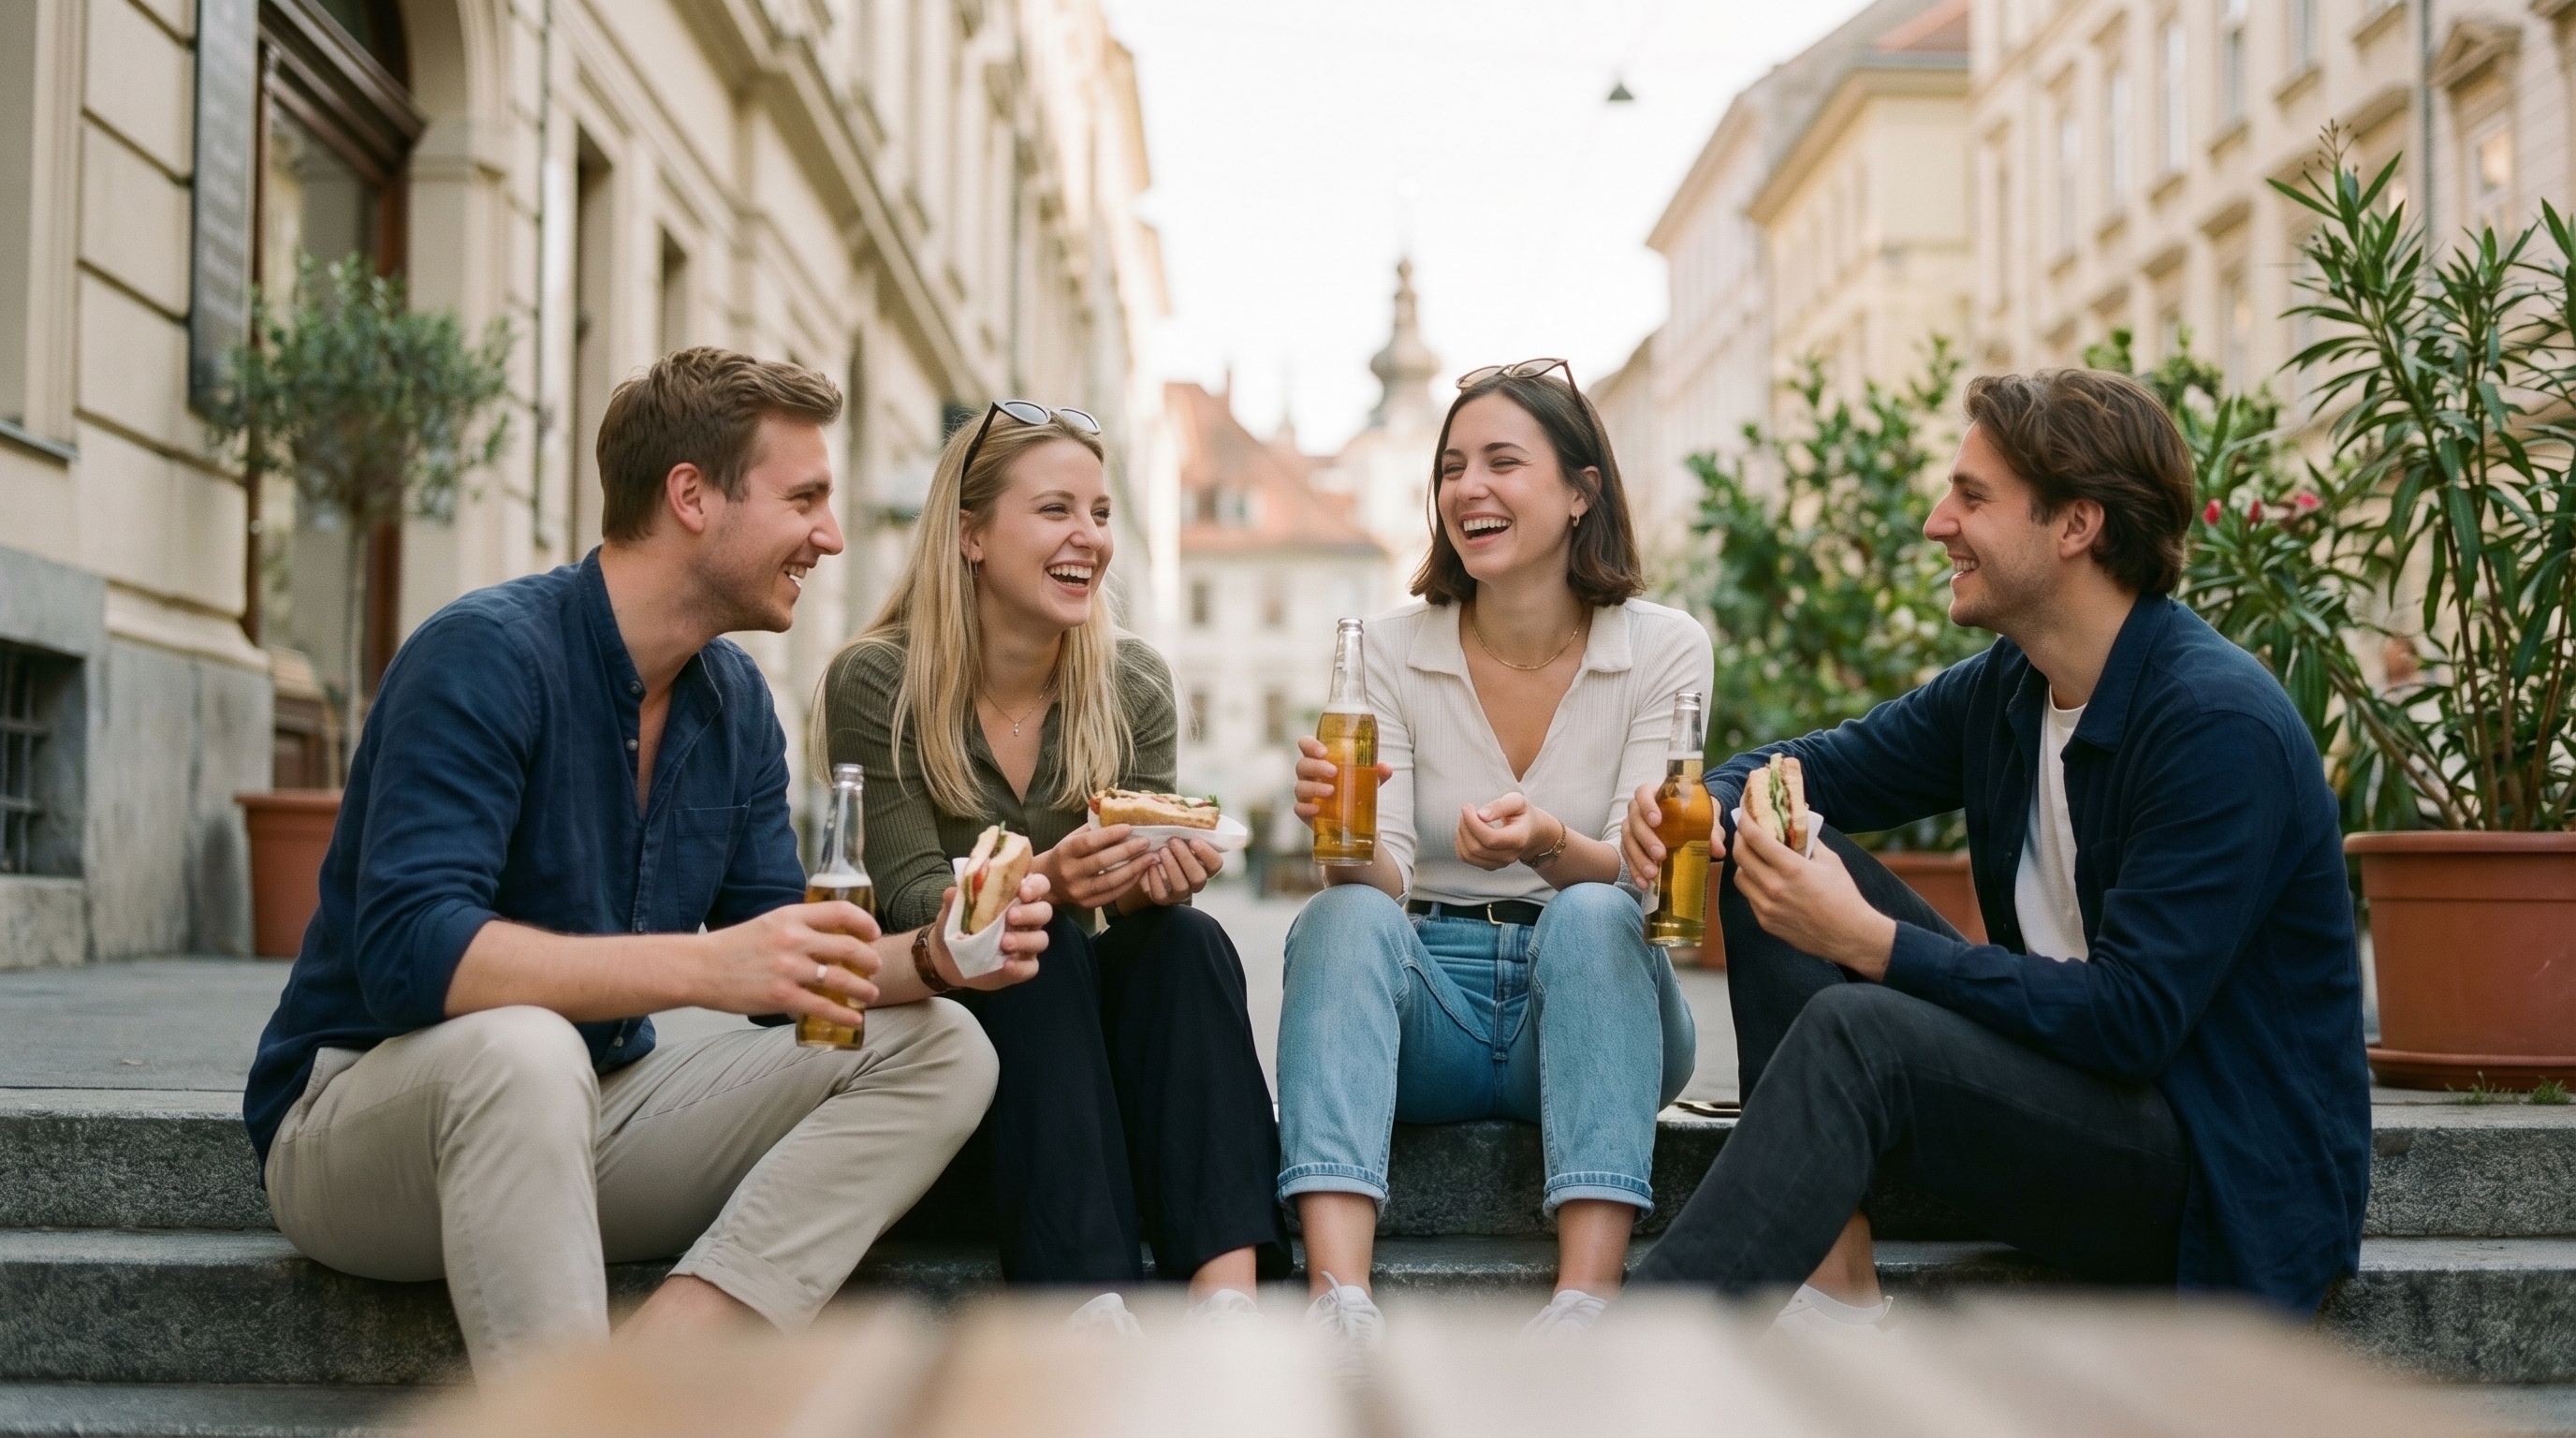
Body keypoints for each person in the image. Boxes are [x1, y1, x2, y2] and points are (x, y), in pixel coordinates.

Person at [243, 348, 1054, 1375]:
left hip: (588, 1111)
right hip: (364, 1126)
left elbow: (786, 972)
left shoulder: (733, 703)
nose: (830, 536)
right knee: (521, 1049)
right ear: (690, 497)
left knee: (942, 1048)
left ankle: (657, 1372)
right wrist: (703, 967)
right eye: (803, 498)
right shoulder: (484, 655)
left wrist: (942, 957)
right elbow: (412, 952)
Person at [1627, 369, 2370, 1329]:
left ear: (2076, 526)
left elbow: (2130, 1022)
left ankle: (1625, 1367)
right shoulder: (2012, 688)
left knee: (1861, 1029)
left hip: (2210, 1183)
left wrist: (1874, 944)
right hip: (2064, 1106)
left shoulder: (2214, 725)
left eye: (1972, 497)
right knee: (1775, 835)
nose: (1939, 522)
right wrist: (1698, 806)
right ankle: (1837, 1288)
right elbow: (1817, 764)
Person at [821, 400, 1289, 1330]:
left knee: (1186, 943)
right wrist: (1049, 881)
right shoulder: (877, 679)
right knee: (1026, 942)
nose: (1091, 539)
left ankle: (1229, 1300)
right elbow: (911, 899)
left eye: (1102, 513)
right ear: (970, 536)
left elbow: (1132, 921)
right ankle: (1086, 1306)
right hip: (967, 1070)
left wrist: (1156, 877)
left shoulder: (1136, 682)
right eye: (1056, 511)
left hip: (1108, 1077)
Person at [1275, 359, 1706, 1348]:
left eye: (1503, 462)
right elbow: (1376, 871)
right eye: (1453, 465)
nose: (1469, 487)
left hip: (1593, 1003)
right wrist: (1338, 838)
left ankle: (1585, 1301)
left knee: (1598, 911)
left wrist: (1552, 845)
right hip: (1431, 1002)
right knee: (1341, 913)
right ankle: (1337, 1301)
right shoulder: (1384, 647)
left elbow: (1647, 879)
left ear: (1579, 492)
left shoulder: (1664, 646)